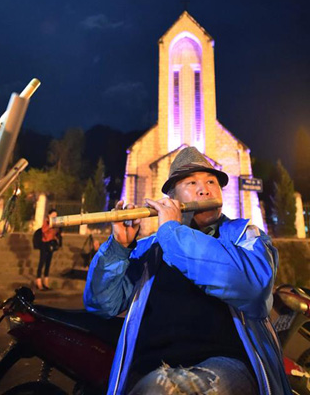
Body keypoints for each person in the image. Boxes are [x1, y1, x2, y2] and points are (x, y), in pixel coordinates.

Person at [84, 146, 293, 395]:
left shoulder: (245, 237)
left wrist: (173, 232)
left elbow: (254, 289)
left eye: (211, 182)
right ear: (172, 198)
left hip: (224, 366)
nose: (204, 189)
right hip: (149, 367)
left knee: (163, 389)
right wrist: (119, 247)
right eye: (192, 183)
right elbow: (102, 304)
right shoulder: (151, 250)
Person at [35, 208, 62, 291]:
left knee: (48, 263)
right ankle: (39, 282)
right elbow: (44, 230)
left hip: (51, 243)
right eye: (53, 215)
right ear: (49, 215)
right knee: (42, 262)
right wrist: (50, 225)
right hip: (44, 243)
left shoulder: (56, 223)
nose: (55, 217)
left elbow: (57, 233)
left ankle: (46, 282)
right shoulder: (46, 221)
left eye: (56, 215)